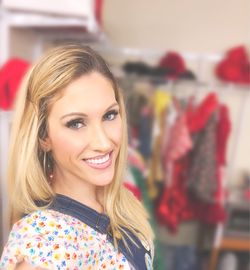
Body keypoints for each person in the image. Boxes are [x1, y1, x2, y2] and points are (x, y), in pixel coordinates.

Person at [0, 44, 154, 270]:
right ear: (44, 136)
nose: (103, 143)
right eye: (76, 123)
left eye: (109, 115)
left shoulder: (122, 202)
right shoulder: (47, 242)